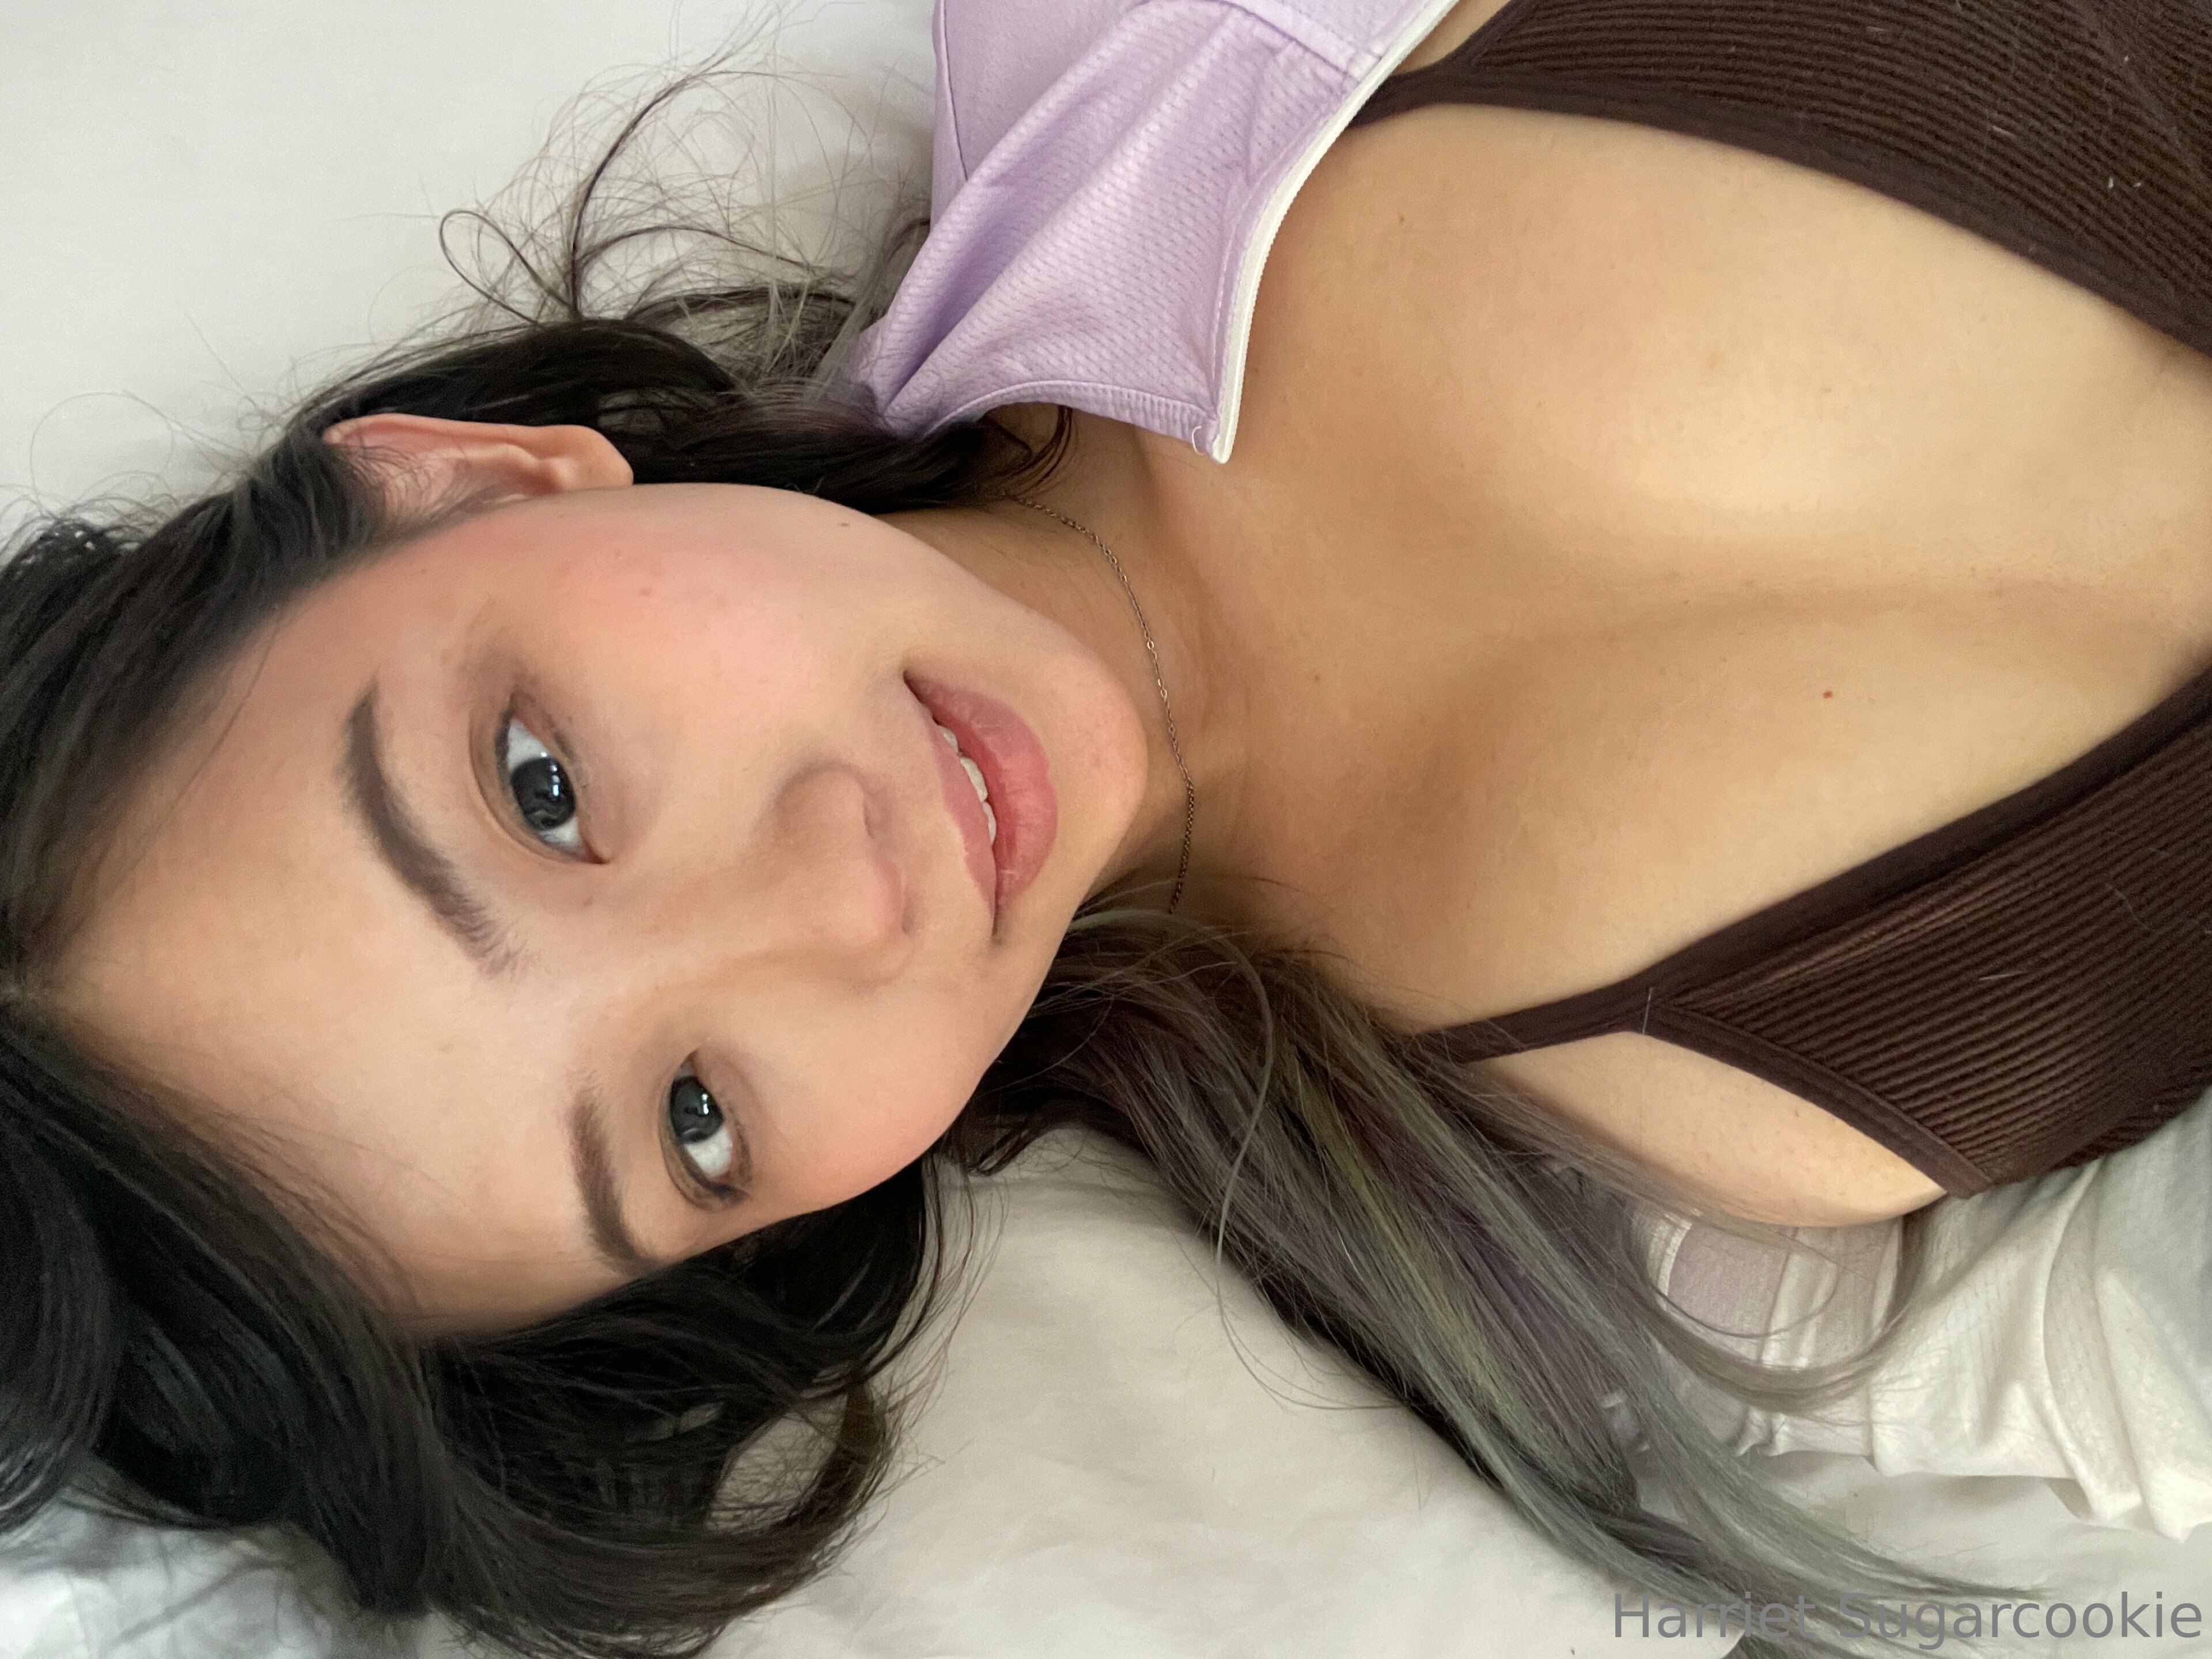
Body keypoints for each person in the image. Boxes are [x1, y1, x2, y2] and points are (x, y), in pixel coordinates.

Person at [7, 2, 2210, 1654]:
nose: (834, 898)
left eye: (543, 789)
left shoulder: (1152, 43)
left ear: (471, 481)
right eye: (691, 1118)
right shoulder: (1619, 1230)